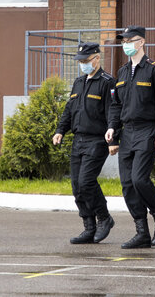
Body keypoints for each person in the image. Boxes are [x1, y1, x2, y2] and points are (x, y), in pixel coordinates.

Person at [107, 26, 155, 249]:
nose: (125, 44)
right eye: (123, 40)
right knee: (127, 184)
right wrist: (112, 130)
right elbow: (116, 105)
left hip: (147, 130)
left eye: (130, 40)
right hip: (128, 132)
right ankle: (142, 231)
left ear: (141, 42)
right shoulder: (122, 72)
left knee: (139, 179)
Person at [53, 42, 118, 244]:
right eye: (80, 61)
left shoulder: (107, 82)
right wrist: (60, 131)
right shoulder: (79, 82)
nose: (82, 64)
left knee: (86, 182)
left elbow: (113, 111)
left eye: (86, 61)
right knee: (76, 187)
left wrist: (113, 139)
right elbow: (69, 110)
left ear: (97, 59)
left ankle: (104, 218)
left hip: (97, 140)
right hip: (78, 140)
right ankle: (89, 227)